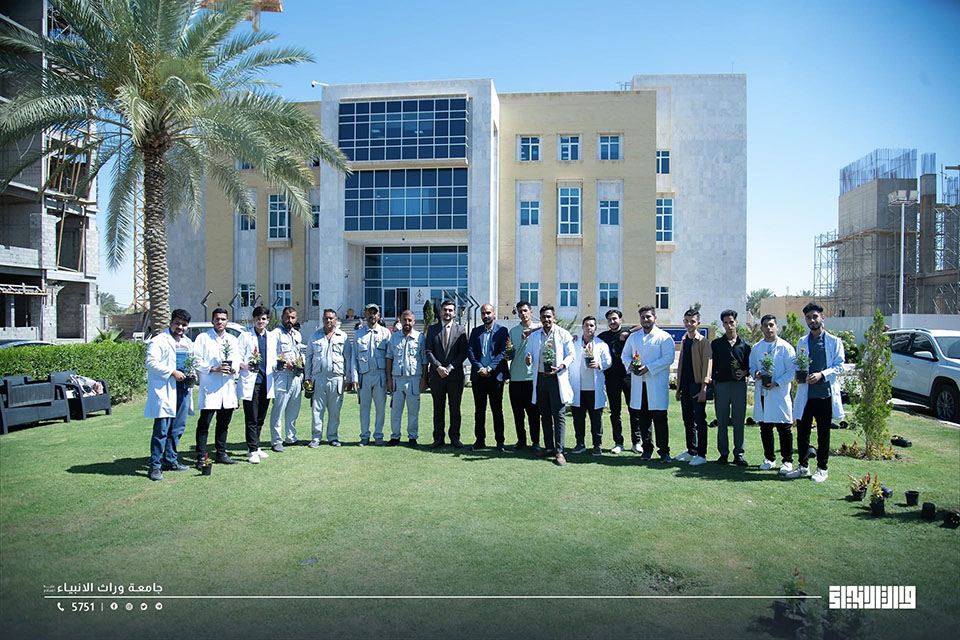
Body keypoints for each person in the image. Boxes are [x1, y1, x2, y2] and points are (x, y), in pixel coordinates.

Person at [786, 303, 845, 483]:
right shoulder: (802, 342)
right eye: (808, 318)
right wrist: (799, 374)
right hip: (806, 395)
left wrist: (822, 375)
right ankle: (803, 466)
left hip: (824, 395)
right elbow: (799, 363)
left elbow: (840, 366)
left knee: (823, 434)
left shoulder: (834, 341)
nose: (812, 320)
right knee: (802, 432)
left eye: (815, 317)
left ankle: (822, 468)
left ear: (822, 318)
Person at [145, 309, 195, 480]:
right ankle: (155, 466)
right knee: (162, 430)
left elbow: (191, 362)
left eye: (184, 325)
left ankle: (170, 460)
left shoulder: (188, 342)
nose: (180, 327)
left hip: (183, 389)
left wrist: (192, 373)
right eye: (177, 323)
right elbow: (151, 362)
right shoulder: (159, 341)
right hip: (166, 389)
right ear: (171, 322)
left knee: (178, 428)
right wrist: (172, 372)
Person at [524, 305, 576, 466]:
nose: (546, 319)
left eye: (549, 316)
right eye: (543, 317)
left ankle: (559, 451)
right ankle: (548, 447)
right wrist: (528, 360)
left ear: (554, 317)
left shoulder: (562, 334)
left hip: (556, 379)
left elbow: (571, 354)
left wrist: (561, 366)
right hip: (541, 379)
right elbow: (528, 354)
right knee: (544, 414)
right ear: (540, 318)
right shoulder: (534, 336)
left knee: (559, 415)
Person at [621, 306, 675, 461]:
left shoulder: (664, 337)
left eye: (648, 317)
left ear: (655, 318)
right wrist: (630, 365)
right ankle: (647, 449)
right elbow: (625, 355)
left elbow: (668, 358)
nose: (645, 320)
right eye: (643, 317)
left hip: (656, 384)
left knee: (660, 419)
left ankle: (664, 451)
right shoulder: (634, 337)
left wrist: (648, 368)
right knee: (643, 420)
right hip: (639, 384)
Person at [749, 314, 796, 474]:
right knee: (765, 428)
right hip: (763, 393)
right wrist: (755, 373)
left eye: (771, 325)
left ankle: (787, 461)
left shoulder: (786, 347)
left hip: (779, 393)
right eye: (765, 326)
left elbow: (792, 371)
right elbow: (752, 366)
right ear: (761, 328)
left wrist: (777, 382)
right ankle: (769, 458)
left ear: (777, 327)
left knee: (784, 428)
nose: (768, 328)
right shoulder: (757, 348)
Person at [193, 307, 239, 466]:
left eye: (223, 319)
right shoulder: (203, 338)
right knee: (204, 423)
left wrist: (234, 369)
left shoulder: (232, 339)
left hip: (227, 386)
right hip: (210, 386)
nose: (220, 322)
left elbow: (237, 359)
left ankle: (221, 453)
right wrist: (213, 369)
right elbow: (196, 361)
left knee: (224, 423)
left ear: (227, 321)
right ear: (212, 320)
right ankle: (201, 456)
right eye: (217, 319)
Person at [305, 308, 352, 448]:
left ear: (336, 320)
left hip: (336, 379)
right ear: (322, 319)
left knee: (335, 411)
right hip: (318, 378)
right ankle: (316, 437)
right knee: (317, 410)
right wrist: (307, 377)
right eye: (326, 318)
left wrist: (348, 379)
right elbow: (309, 358)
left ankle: (333, 437)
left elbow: (348, 358)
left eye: (331, 318)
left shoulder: (342, 336)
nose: (328, 320)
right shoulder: (315, 336)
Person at [466, 303, 510, 451]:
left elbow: (503, 352)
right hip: (479, 377)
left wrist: (490, 368)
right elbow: (470, 351)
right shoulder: (475, 331)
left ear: (494, 314)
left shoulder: (502, 331)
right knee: (479, 410)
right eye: (483, 313)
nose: (486, 316)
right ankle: (480, 440)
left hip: (495, 376)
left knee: (497, 410)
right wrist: (480, 368)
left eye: (488, 313)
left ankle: (500, 442)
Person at [424, 299, 468, 448]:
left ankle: (455, 437)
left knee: (455, 408)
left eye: (450, 310)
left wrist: (450, 367)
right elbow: (428, 351)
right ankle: (438, 438)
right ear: (441, 311)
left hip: (455, 376)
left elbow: (463, 353)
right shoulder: (432, 329)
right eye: (445, 310)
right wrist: (438, 367)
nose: (447, 312)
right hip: (437, 376)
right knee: (438, 408)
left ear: (454, 313)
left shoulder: (461, 330)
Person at [710, 309, 751, 465]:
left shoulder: (745, 346)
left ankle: (738, 454)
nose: (729, 325)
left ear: (736, 323)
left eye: (731, 322)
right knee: (721, 421)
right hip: (721, 386)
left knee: (738, 421)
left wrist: (745, 372)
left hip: (739, 386)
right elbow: (712, 365)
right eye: (726, 323)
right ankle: (723, 454)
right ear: (723, 324)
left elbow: (750, 366)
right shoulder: (716, 344)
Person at [238, 306, 277, 464]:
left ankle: (256, 445)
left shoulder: (271, 337)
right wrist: (244, 365)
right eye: (258, 318)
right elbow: (237, 356)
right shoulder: (245, 336)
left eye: (263, 319)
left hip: (266, 381)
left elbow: (274, 357)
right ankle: (252, 450)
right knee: (251, 417)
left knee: (261, 417)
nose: (260, 321)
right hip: (251, 382)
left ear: (267, 320)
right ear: (253, 319)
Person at [569, 316, 612, 456]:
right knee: (578, 419)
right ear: (582, 327)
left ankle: (597, 445)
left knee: (596, 420)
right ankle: (580, 443)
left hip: (594, 389)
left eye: (592, 325)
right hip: (578, 389)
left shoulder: (601, 344)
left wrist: (599, 365)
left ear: (595, 328)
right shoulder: (574, 342)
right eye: (586, 325)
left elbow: (608, 362)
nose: (589, 328)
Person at [675, 308, 712, 466]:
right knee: (687, 420)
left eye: (692, 321)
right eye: (687, 321)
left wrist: (703, 388)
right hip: (685, 385)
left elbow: (707, 366)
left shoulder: (703, 342)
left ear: (698, 323)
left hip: (697, 385)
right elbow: (682, 365)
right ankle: (691, 451)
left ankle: (701, 454)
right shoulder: (685, 340)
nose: (689, 324)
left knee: (700, 420)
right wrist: (678, 389)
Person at [351, 303, 392, 446]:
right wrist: (354, 377)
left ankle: (378, 435)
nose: (372, 315)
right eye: (369, 312)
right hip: (364, 376)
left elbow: (390, 357)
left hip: (380, 376)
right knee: (364, 408)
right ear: (365, 315)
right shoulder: (359, 334)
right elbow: (354, 357)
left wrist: (389, 378)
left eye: (375, 313)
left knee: (380, 409)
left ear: (379, 315)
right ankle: (364, 436)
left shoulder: (385, 333)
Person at [386, 310, 428, 446]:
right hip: (397, 380)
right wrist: (389, 379)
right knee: (395, 412)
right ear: (400, 320)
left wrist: (424, 380)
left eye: (410, 320)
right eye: (405, 320)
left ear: (414, 322)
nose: (407, 323)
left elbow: (424, 360)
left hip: (414, 379)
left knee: (413, 412)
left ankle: (412, 437)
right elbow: (389, 358)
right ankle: (395, 436)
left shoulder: (420, 337)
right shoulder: (394, 337)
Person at [597, 309, 632, 454]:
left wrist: (628, 332)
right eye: (610, 319)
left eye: (615, 319)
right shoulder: (603, 337)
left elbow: (642, 326)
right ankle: (618, 442)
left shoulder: (629, 334)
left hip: (628, 377)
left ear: (620, 320)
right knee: (615, 413)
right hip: (611, 379)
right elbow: (588, 339)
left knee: (634, 410)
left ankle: (637, 442)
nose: (612, 321)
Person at [507, 300, 540, 451]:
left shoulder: (539, 329)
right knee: (518, 414)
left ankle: (535, 442)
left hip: (532, 379)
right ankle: (521, 441)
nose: (523, 314)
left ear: (531, 312)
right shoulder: (513, 331)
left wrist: (530, 331)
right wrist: (508, 355)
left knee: (534, 414)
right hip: (515, 378)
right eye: (520, 311)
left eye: (525, 310)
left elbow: (550, 326)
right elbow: (510, 352)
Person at [269, 306, 303, 452]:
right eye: (287, 317)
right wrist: (284, 362)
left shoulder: (296, 334)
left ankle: (291, 437)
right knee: (279, 409)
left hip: (296, 375)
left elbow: (298, 352)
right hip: (282, 375)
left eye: (292, 317)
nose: (290, 320)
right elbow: (271, 354)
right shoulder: (275, 334)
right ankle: (276, 440)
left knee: (293, 409)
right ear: (282, 317)